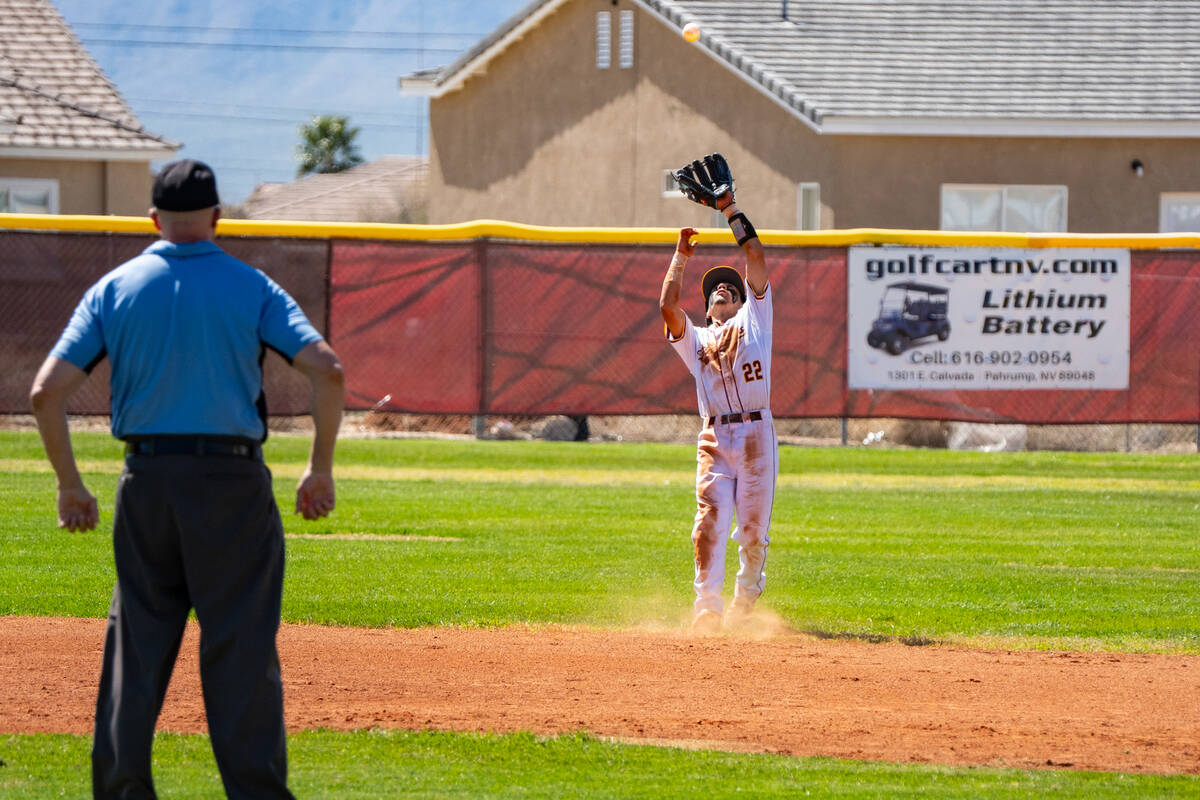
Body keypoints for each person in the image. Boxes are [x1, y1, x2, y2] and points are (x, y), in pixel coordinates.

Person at [29, 159, 345, 799]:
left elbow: (45, 393)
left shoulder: (114, 287)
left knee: (137, 643)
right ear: (218, 218)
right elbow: (328, 369)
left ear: (152, 219)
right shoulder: (251, 286)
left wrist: (70, 483)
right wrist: (319, 466)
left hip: (146, 481)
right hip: (231, 483)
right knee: (241, 645)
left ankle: (122, 789)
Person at [660, 154, 777, 635]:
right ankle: (706, 610)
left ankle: (746, 602)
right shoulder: (697, 340)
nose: (724, 290)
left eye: (732, 287)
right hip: (714, 439)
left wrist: (729, 208)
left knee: (751, 532)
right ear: (707, 308)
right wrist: (682, 255)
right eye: (715, 291)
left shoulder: (756, 321)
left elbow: (756, 258)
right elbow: (667, 305)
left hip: (755, 436)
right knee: (707, 524)